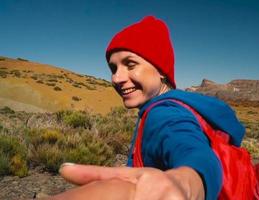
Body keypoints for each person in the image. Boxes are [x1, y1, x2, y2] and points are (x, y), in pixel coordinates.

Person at [51, 16, 245, 200]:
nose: (116, 78)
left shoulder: (164, 114)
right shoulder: (174, 106)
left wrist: (186, 183)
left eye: (130, 64)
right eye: (113, 68)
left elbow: (196, 154)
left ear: (161, 70)